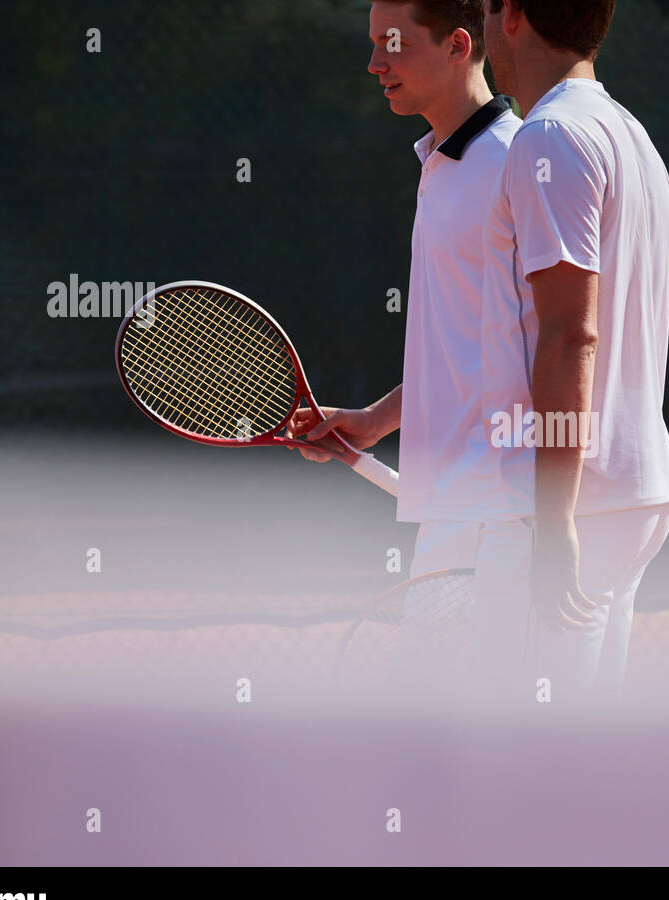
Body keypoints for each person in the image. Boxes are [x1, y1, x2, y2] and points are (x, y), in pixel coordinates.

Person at [289, 0, 520, 689]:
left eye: (392, 45)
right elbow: (466, 351)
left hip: (501, 512)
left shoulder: (511, 163)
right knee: (441, 731)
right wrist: (373, 422)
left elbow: (557, 342)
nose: (373, 64)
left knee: (463, 730)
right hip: (462, 509)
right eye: (371, 44)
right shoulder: (445, 163)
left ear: (457, 45)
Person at [476, 0, 669, 699]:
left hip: (581, 507)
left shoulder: (550, 138)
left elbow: (572, 337)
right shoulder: (632, 135)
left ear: (510, 15)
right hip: (625, 495)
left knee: (531, 756)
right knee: (579, 750)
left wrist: (554, 516)